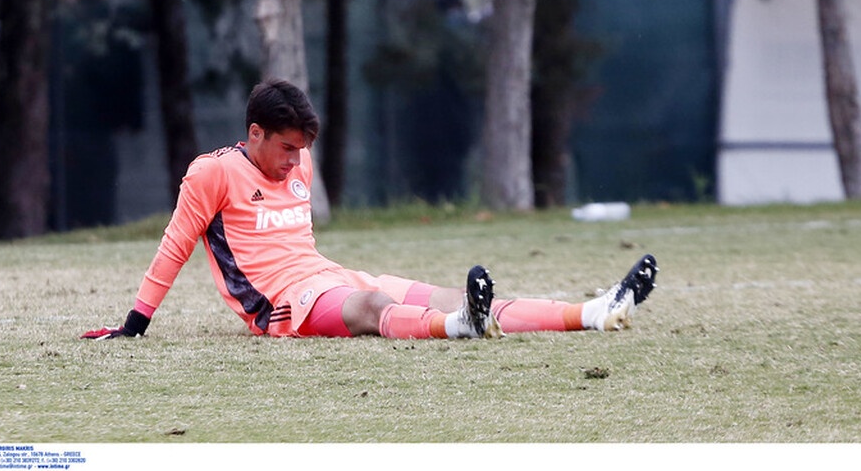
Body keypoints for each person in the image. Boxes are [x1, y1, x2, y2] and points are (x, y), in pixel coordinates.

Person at [82, 78, 658, 342]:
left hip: (327, 276)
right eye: (286, 148)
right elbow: (175, 244)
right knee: (373, 307)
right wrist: (135, 324)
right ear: (254, 133)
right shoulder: (211, 172)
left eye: (302, 151)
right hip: (279, 305)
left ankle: (592, 312)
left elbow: (303, 246)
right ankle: (459, 331)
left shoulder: (299, 163)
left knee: (448, 293)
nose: (295, 163)